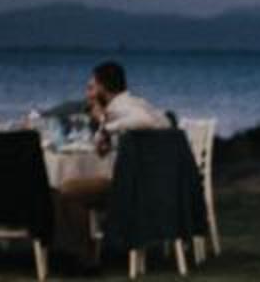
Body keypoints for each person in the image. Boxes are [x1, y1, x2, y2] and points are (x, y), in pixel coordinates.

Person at [51, 58, 171, 270]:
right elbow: (162, 124)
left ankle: (83, 258)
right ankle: (78, 252)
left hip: (135, 189)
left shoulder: (120, 107)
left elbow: (146, 121)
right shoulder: (136, 102)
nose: (88, 93)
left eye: (92, 87)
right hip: (159, 184)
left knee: (66, 191)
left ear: (103, 88)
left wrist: (107, 127)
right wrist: (106, 130)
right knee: (71, 190)